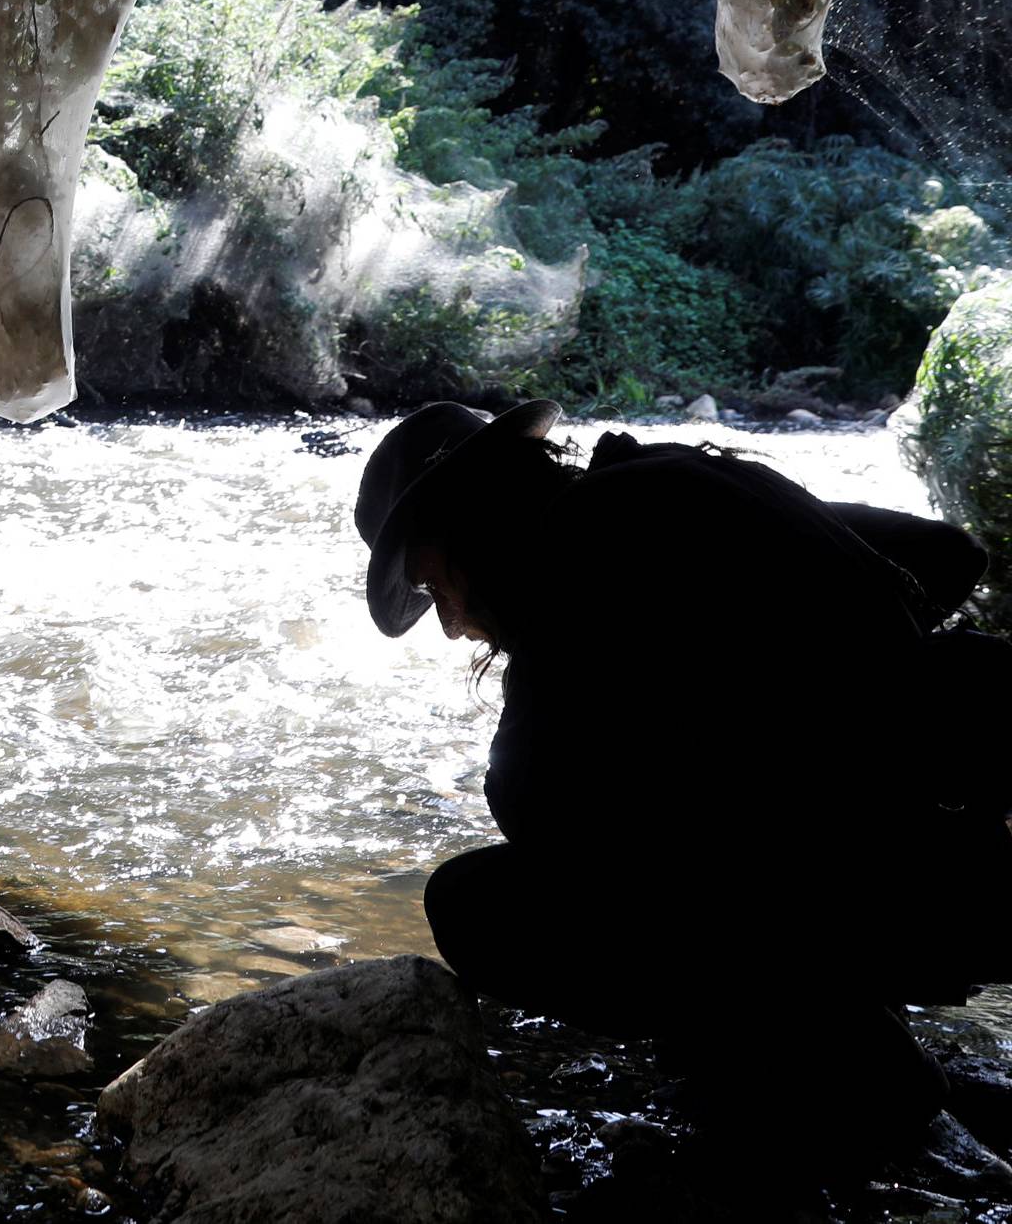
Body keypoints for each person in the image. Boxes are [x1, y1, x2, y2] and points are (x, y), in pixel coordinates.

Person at [354, 398, 1012, 1174]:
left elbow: (538, 812)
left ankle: (853, 1082)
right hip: (962, 853)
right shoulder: (672, 477)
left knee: (478, 905)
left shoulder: (578, 551)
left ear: (467, 526)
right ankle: (854, 1051)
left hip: (907, 892)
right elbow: (948, 551)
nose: (452, 625)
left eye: (434, 587)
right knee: (685, 828)